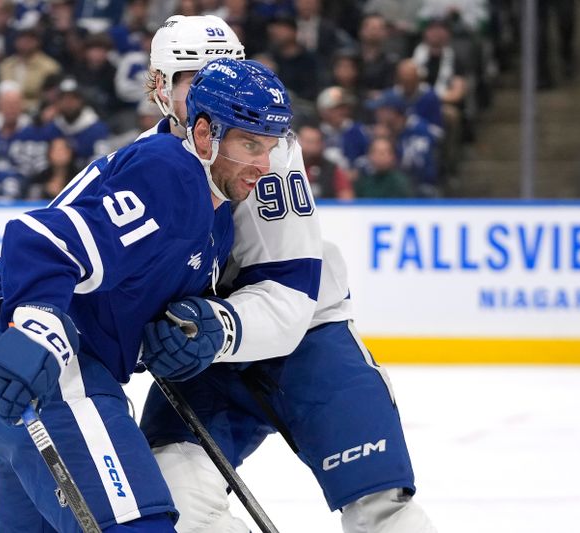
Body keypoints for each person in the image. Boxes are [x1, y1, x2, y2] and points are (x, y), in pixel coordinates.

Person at [0, 57, 294, 532]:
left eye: (270, 148)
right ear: (203, 134)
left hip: (33, 392)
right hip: (51, 377)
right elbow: (42, 238)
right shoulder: (173, 173)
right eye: (249, 144)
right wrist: (32, 323)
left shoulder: (217, 216)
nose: (263, 165)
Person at [137, 15, 438, 533]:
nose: (212, 87)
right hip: (205, 360)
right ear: (160, 87)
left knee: (381, 506)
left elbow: (289, 298)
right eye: (193, 78)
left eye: (223, 70)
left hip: (306, 345)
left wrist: (214, 326)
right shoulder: (142, 160)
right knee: (174, 505)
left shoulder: (268, 152)